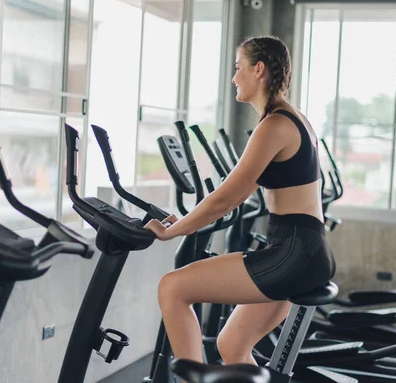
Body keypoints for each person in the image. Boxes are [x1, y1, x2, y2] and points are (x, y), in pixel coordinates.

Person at [144, 35, 336, 368]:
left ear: (258, 69)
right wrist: (186, 221)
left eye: (238, 67)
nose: (234, 77)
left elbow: (229, 197)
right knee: (232, 346)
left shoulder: (276, 125)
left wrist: (172, 231)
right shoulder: (293, 118)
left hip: (293, 253)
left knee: (172, 288)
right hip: (304, 250)